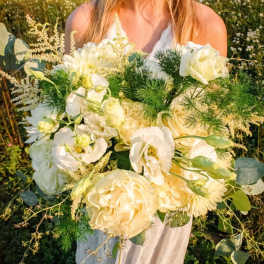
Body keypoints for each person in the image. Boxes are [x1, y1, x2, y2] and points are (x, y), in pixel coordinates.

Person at [64, 1, 227, 263]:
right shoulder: (86, 22)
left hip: (167, 212)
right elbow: (68, 119)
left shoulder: (205, 26)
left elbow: (211, 124)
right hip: (104, 205)